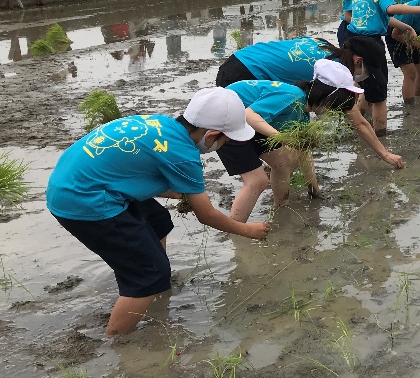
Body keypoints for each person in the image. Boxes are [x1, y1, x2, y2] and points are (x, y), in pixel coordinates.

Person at [45, 87, 270, 335]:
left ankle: (157, 288)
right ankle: (118, 340)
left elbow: (138, 173)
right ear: (212, 135)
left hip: (72, 181)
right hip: (83, 199)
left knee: (158, 220)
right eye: (226, 140)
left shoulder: (162, 124)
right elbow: (206, 216)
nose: (224, 145)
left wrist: (181, 193)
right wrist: (247, 230)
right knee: (148, 275)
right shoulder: (183, 154)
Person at [214, 35, 404, 168]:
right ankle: (261, 175)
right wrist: (385, 154)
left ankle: (276, 171)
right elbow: (359, 122)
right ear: (358, 61)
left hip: (242, 58)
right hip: (245, 75)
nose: (365, 77)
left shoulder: (325, 48)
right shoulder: (327, 71)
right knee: (260, 140)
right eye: (368, 71)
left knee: (285, 137)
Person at [220, 62, 364, 221]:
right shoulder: (291, 96)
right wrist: (281, 137)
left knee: (283, 162)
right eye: (336, 107)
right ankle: (236, 229)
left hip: (251, 122)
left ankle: (282, 207)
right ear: (327, 97)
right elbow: (249, 115)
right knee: (257, 181)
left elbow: (304, 152)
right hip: (226, 121)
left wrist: (314, 191)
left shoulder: (302, 114)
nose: (336, 113)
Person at [347, 0, 420, 133]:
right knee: (380, 96)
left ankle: (354, 124)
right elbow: (391, 9)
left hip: (353, 45)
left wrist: (407, 27)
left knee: (365, 87)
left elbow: (385, 18)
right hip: (371, 45)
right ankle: (381, 136)